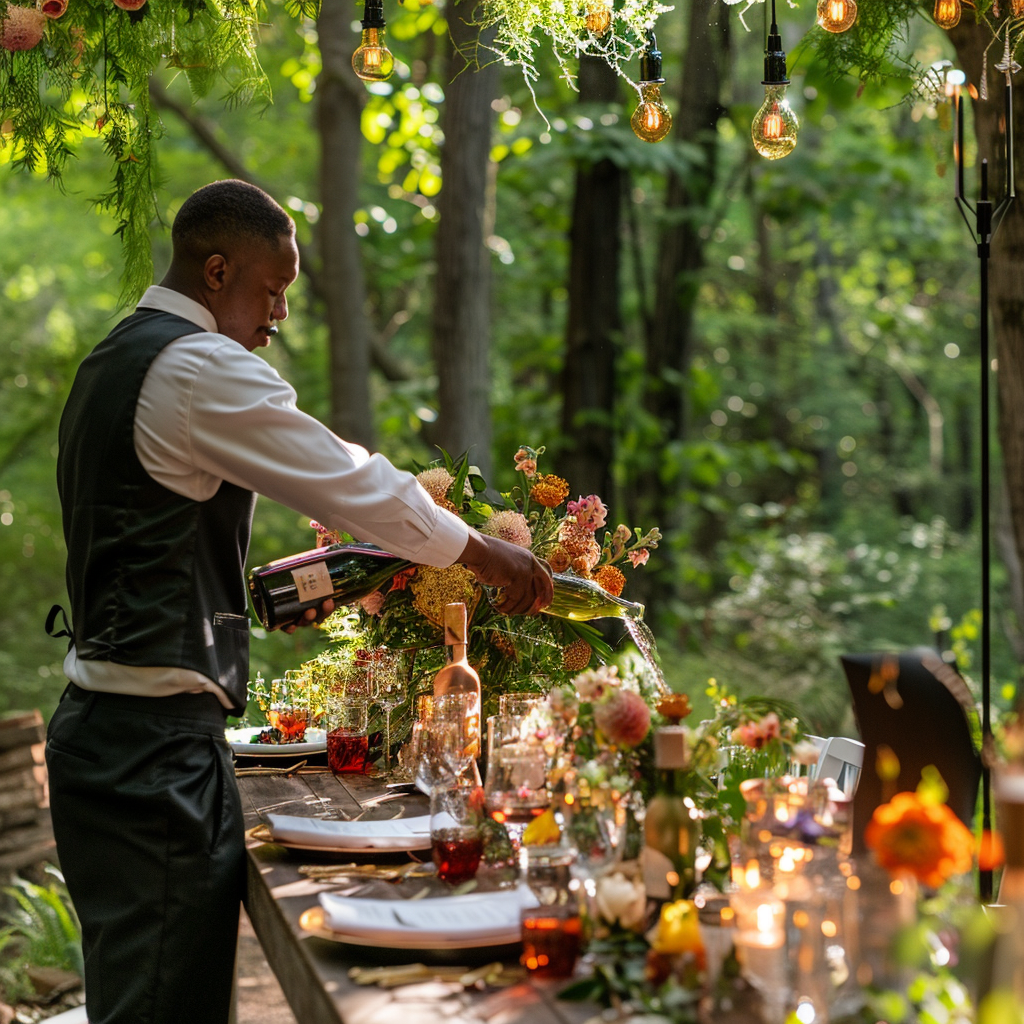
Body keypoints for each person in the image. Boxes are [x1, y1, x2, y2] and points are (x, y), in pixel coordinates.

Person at [45, 178, 553, 1024]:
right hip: (150, 756)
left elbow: (140, 538)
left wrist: (237, 598)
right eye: (272, 289)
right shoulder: (198, 365)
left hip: (106, 736)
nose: (279, 313)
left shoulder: (116, 357)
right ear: (215, 271)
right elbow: (358, 484)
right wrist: (487, 554)